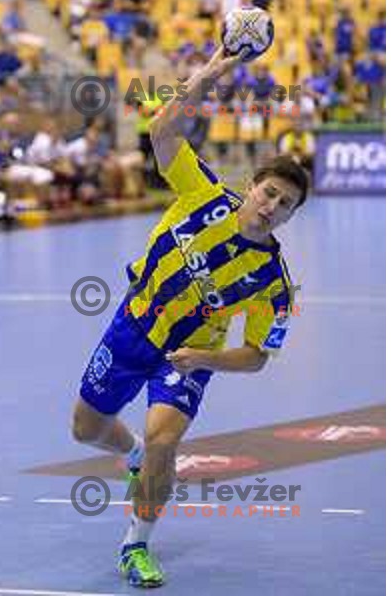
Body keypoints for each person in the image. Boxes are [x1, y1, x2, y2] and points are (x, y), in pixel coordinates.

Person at [71, 47, 309, 588]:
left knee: (164, 439)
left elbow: (256, 358)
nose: (272, 206)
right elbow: (161, 129)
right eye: (269, 192)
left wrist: (203, 359)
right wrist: (215, 69)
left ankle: (135, 546)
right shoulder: (202, 193)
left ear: (292, 217)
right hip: (133, 326)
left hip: (188, 356)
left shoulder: (274, 283)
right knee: (85, 429)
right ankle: (129, 451)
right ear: (252, 186)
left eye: (286, 204)